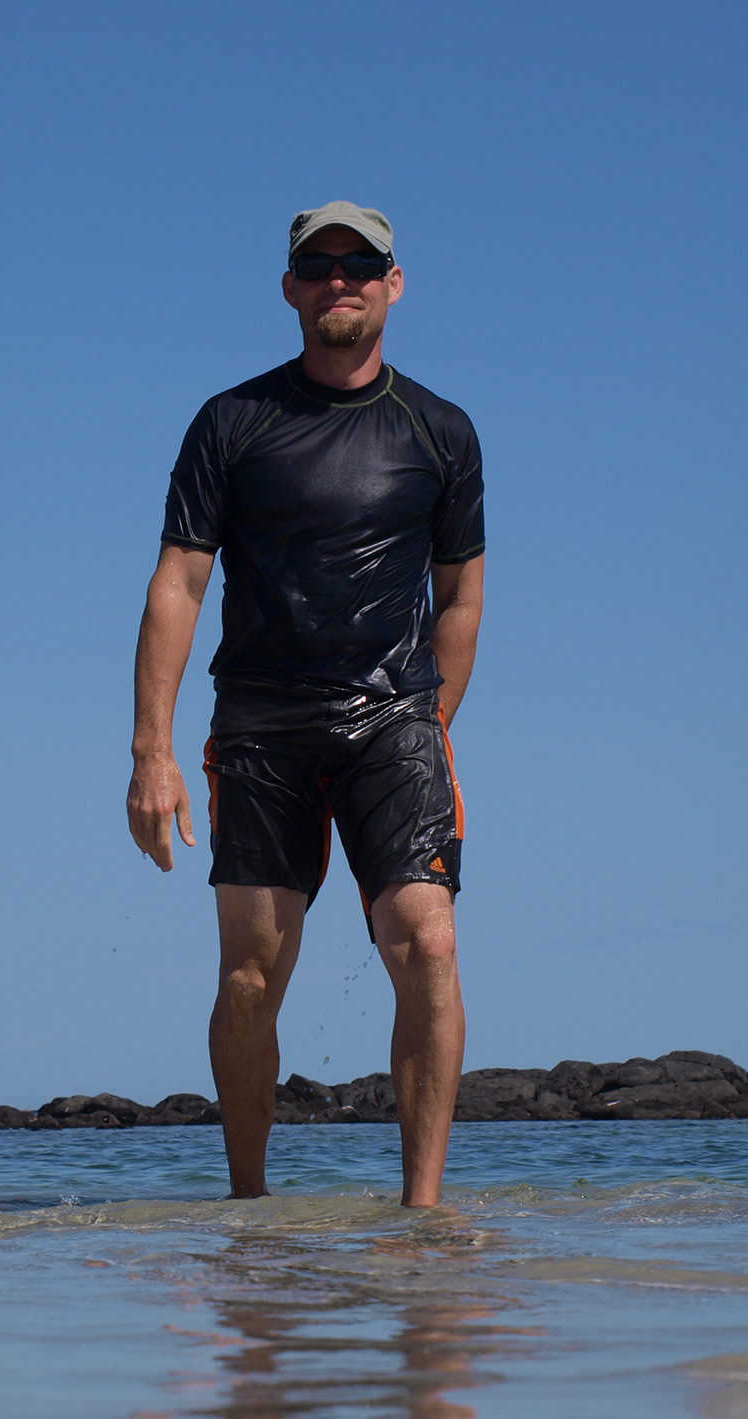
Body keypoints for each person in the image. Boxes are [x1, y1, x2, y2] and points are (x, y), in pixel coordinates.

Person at [126, 202, 485, 1207]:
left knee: (430, 943)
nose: (340, 280)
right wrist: (152, 753)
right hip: (261, 726)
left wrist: (428, 728)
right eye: (318, 265)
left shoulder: (442, 431)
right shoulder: (232, 422)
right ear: (289, 287)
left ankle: (422, 1220)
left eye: (359, 264)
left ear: (393, 283)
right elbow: (178, 584)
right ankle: (249, 1210)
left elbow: (460, 597)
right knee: (250, 977)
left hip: (395, 719)